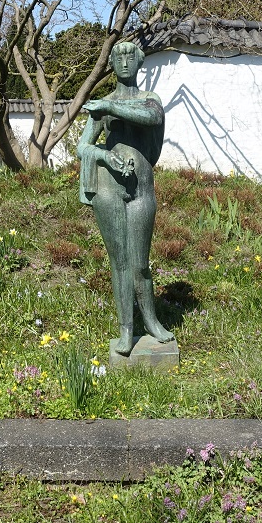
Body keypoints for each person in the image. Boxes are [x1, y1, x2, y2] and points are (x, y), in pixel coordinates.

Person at [77, 40, 175, 356]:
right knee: (119, 262)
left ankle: (151, 321)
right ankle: (125, 330)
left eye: (130, 56)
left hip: (142, 190)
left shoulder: (150, 100)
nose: (124, 62)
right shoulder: (103, 105)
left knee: (141, 263)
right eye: (118, 57)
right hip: (109, 187)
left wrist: (110, 108)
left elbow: (153, 119)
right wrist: (105, 158)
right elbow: (83, 146)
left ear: (139, 62)